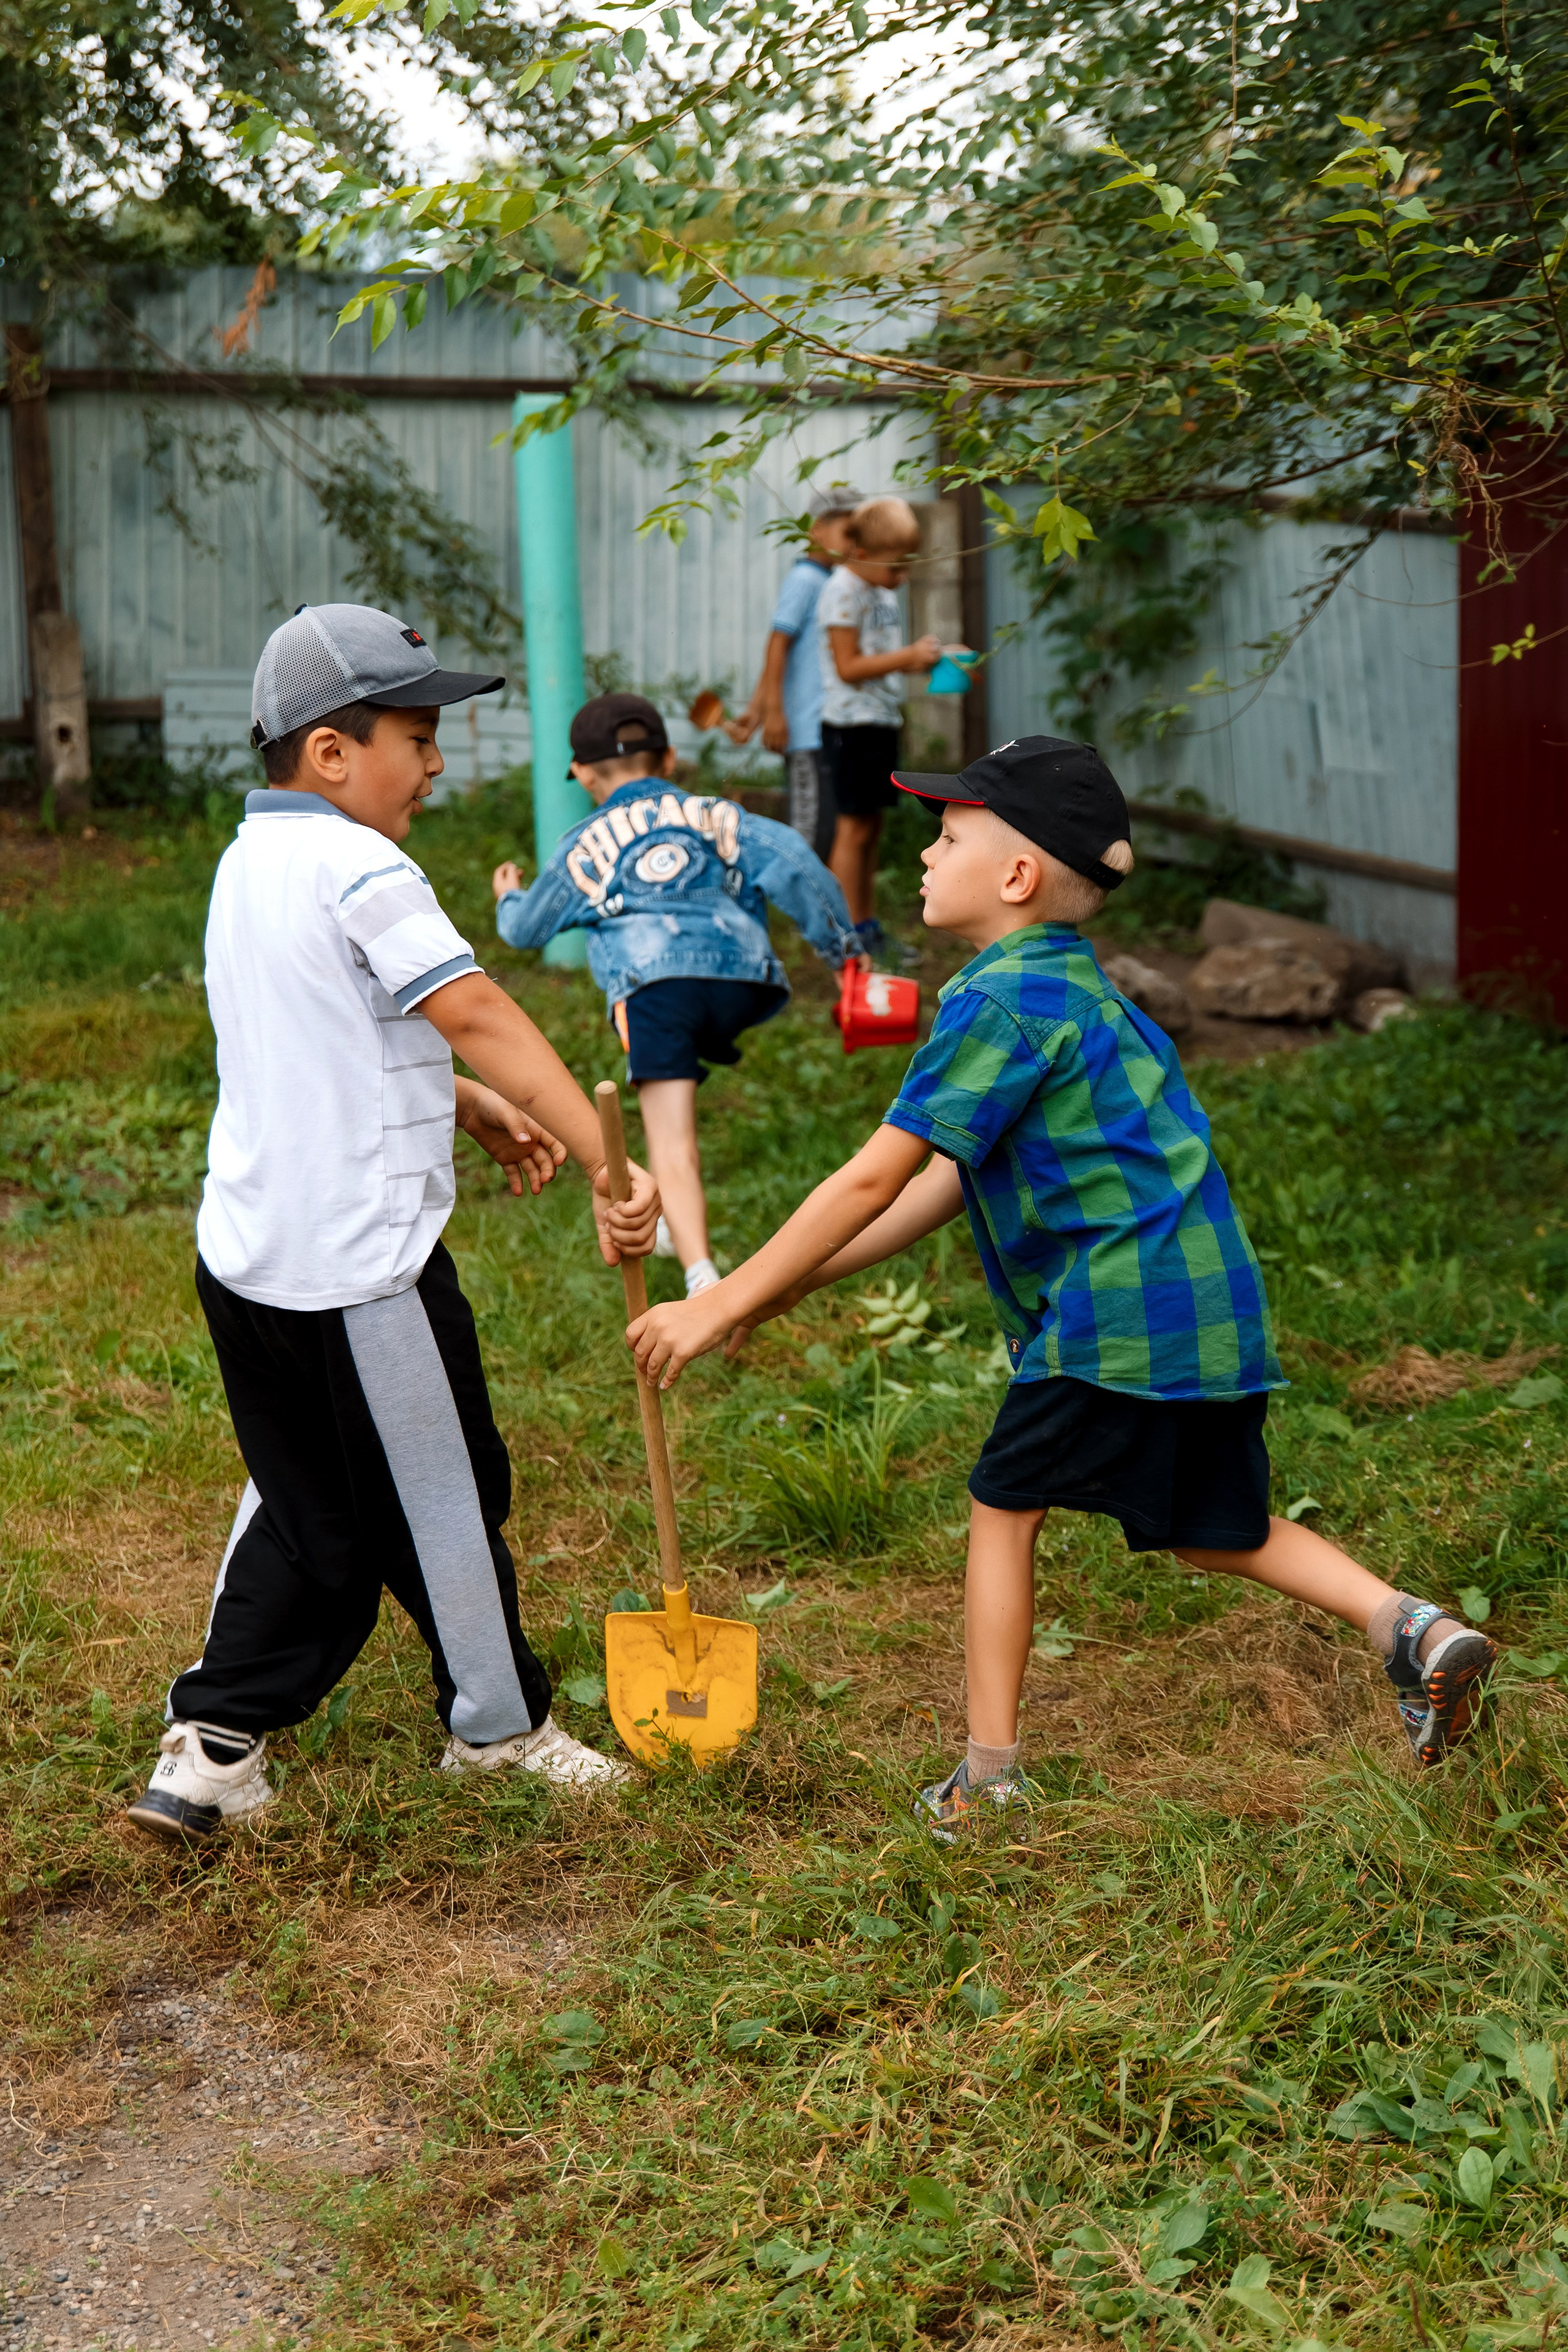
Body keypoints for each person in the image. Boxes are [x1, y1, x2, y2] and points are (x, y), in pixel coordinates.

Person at [620, 736, 1500, 1833]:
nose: (926, 859)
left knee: (1003, 1502)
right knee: (1210, 1524)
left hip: (1112, 1311)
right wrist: (778, 1292)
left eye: (946, 840)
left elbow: (871, 1178)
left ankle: (988, 1777)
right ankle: (1410, 1627)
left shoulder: (996, 1002)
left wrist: (719, 1299)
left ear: (1018, 877)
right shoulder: (1078, 989)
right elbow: (945, 1183)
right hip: (1205, 1307)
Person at [126, 605, 660, 1844]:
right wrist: (601, 1157)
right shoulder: (365, 866)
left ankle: (206, 1753)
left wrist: (460, 1103)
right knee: (440, 1495)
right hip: (363, 1276)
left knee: (303, 1496)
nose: (434, 764)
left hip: (253, 1260)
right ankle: (498, 1727)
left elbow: (326, 1030)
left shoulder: (248, 862)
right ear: (329, 754)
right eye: (415, 738)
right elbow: (467, 1006)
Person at [492, 692, 860, 1298]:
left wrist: (508, 894)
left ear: (583, 773)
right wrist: (845, 952)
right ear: (666, 757)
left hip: (657, 991)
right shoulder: (719, 813)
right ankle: (664, 1221)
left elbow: (525, 931)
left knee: (672, 1138)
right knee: (671, 1050)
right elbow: (795, 861)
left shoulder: (583, 841)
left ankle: (701, 1279)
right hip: (742, 982)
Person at [817, 495, 941, 953]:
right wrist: (907, 657)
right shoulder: (842, 591)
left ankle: (865, 925)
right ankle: (841, 930)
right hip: (851, 726)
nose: (902, 577)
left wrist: (922, 663)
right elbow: (849, 666)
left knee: (871, 829)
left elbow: (881, 660)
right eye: (895, 567)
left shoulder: (879, 588)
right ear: (862, 554)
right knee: (852, 829)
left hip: (880, 720)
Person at [725, 484, 863, 863]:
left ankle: (825, 916)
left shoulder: (833, 582)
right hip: (806, 733)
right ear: (816, 529)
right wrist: (773, 713)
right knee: (811, 832)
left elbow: (785, 657)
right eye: (847, 531)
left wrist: (754, 713)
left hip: (827, 730)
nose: (854, 542)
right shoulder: (805, 580)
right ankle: (802, 912)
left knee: (830, 826)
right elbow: (777, 645)